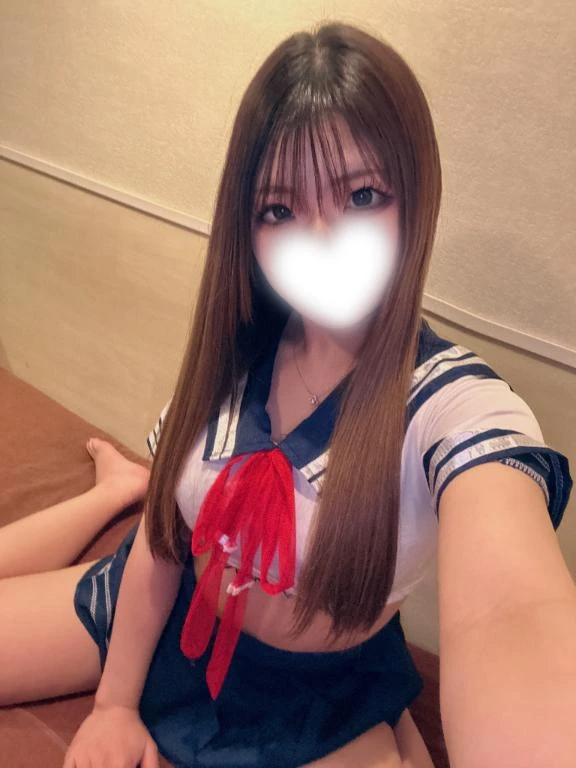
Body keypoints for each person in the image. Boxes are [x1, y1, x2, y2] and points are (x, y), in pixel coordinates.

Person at [1, 20, 574, 768]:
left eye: (362, 195)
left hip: (315, 700)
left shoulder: (450, 407)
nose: (322, 238)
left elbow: (513, 612)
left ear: (416, 199)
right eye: (279, 209)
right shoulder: (236, 355)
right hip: (164, 618)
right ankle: (116, 489)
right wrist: (114, 704)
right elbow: (163, 545)